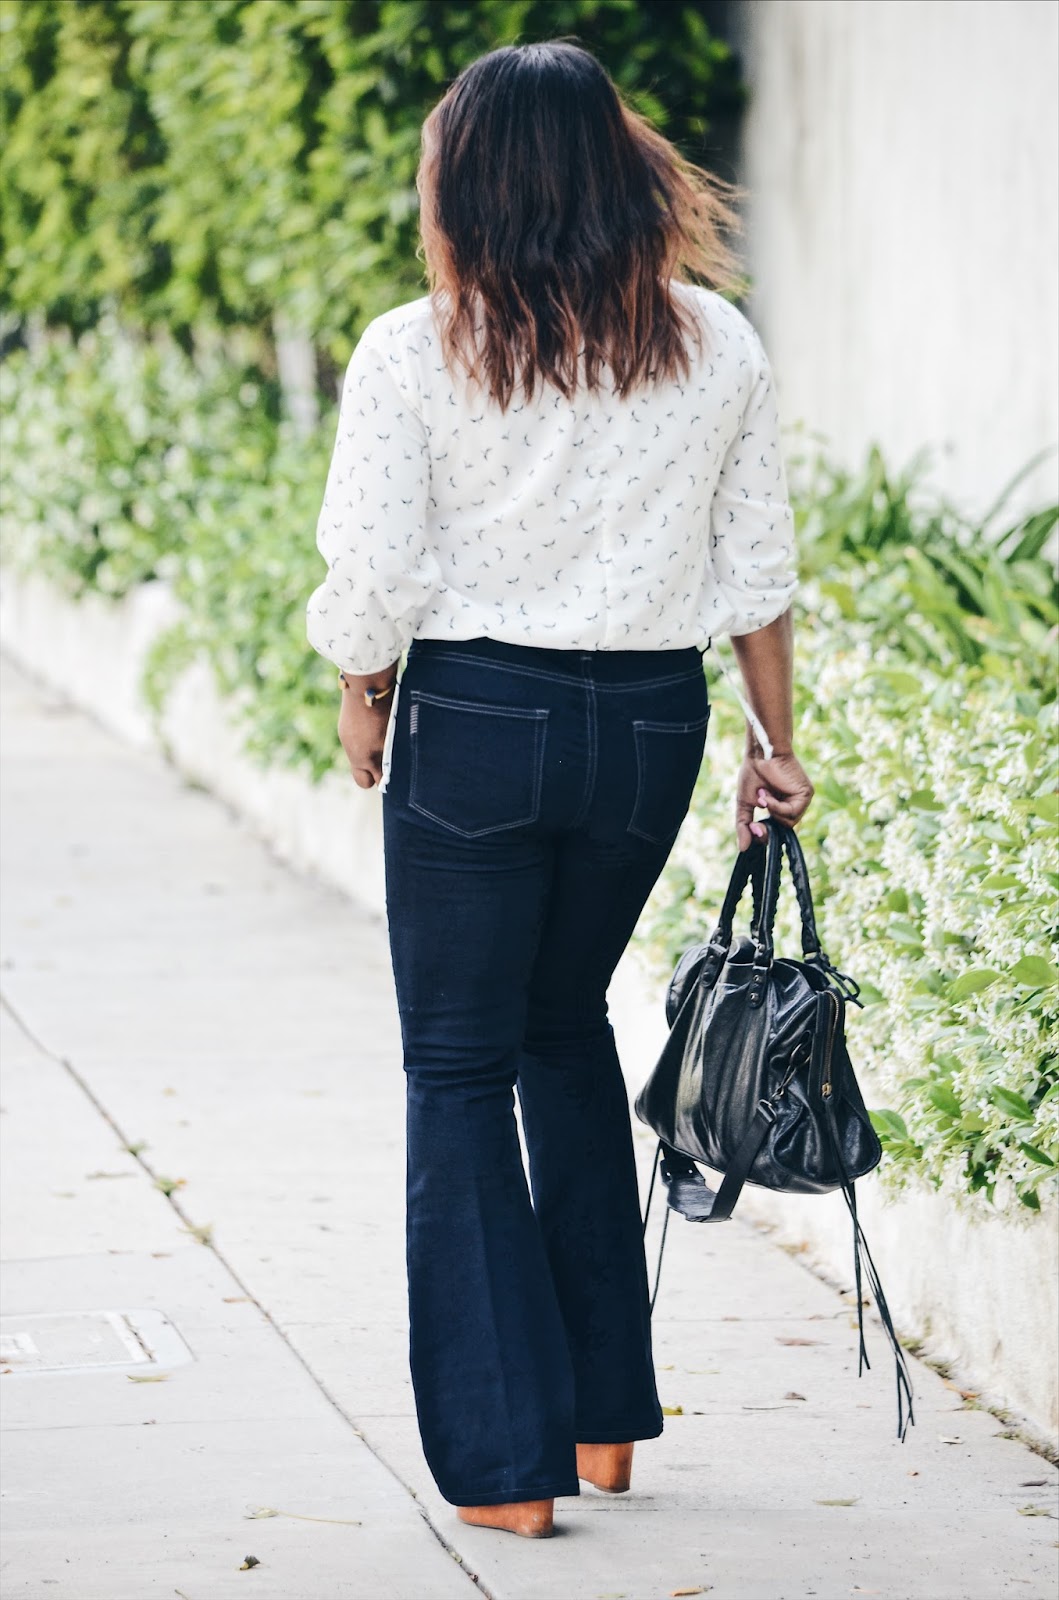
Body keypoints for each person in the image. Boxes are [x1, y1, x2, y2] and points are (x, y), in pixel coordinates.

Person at [306, 39, 813, 1539]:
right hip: (648, 730)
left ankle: (505, 1462)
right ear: (619, 166)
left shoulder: (418, 345)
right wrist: (773, 744)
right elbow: (759, 572)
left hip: (475, 721)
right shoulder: (713, 340)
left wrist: (358, 687)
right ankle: (603, 1424)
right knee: (562, 1028)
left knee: (458, 1068)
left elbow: (374, 574)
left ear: (463, 179)